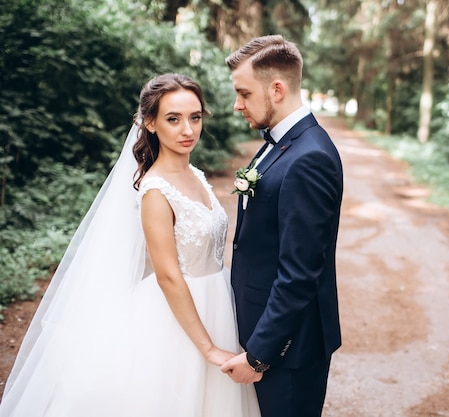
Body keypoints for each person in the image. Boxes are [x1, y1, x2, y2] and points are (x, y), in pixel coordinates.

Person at [0, 73, 261, 417]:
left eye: (195, 117)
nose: (188, 130)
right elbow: (168, 275)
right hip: (176, 317)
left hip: (216, 303)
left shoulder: (194, 173)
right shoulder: (155, 190)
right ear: (150, 123)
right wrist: (209, 349)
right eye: (173, 119)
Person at [220, 35, 343, 417]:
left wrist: (259, 356)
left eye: (244, 93)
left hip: (289, 350)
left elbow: (299, 274)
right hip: (264, 330)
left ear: (277, 88)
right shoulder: (280, 142)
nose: (237, 104)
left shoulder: (310, 158)